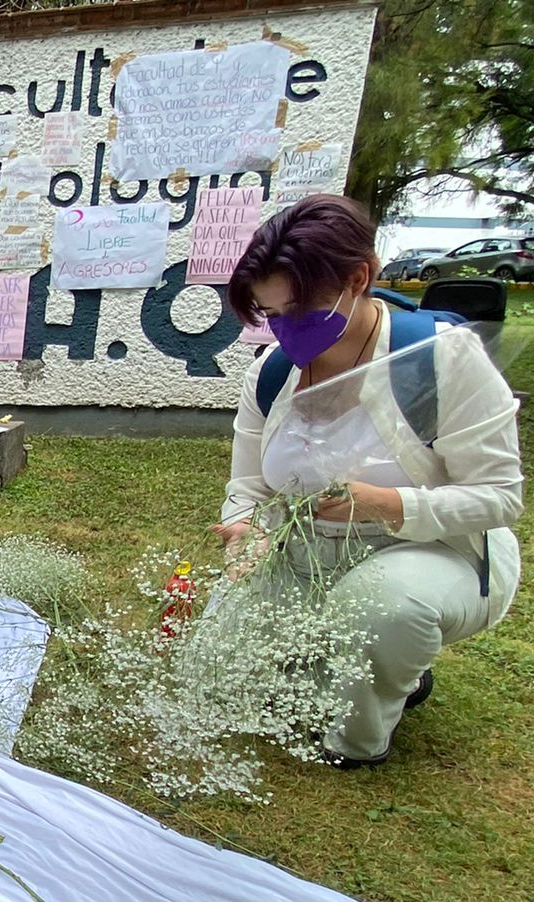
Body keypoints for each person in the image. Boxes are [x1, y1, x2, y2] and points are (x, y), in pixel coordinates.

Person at [216, 194, 523, 767]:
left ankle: (360, 741)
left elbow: (500, 498)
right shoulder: (272, 374)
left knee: (382, 609)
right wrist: (244, 531)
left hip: (433, 553)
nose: (287, 332)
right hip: (312, 553)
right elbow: (250, 486)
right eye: (272, 315)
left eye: (301, 313)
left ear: (359, 278)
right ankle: (379, 668)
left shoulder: (440, 359)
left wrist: (383, 503)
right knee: (227, 665)